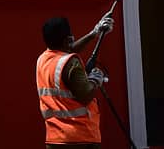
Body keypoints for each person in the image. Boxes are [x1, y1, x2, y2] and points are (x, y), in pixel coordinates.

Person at [36, 14, 114, 149]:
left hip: (54, 139)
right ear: (67, 40)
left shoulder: (42, 60)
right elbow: (86, 95)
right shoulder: (71, 62)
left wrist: (94, 33)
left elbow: (68, 49)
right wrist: (96, 79)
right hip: (81, 137)